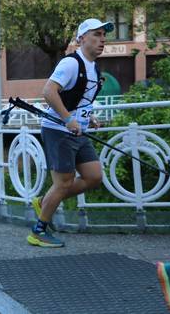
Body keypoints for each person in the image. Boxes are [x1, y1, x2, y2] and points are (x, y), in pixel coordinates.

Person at [28, 19, 111, 247]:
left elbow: (79, 98)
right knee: (63, 183)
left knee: (93, 176)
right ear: (82, 38)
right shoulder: (71, 63)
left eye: (103, 35)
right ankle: (38, 231)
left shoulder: (93, 66)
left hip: (77, 131)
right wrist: (67, 118)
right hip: (58, 130)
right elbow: (49, 91)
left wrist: (88, 117)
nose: (102, 39)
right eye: (96, 34)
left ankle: (45, 201)